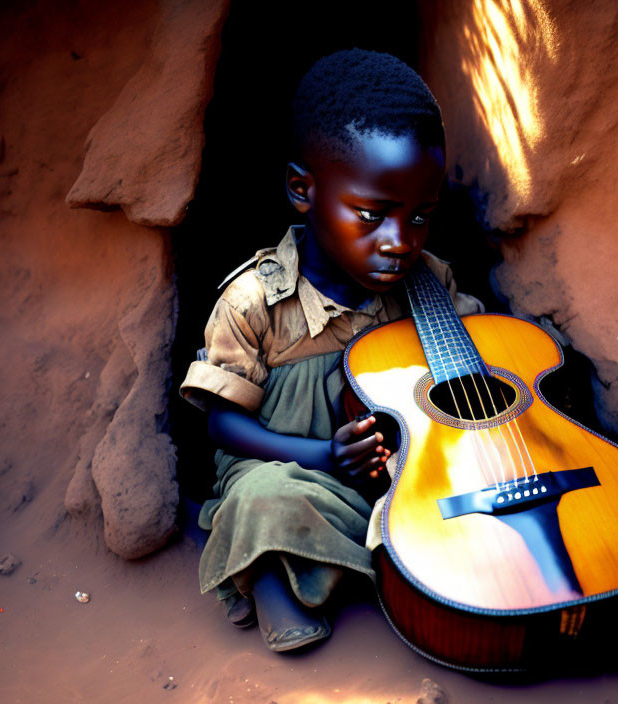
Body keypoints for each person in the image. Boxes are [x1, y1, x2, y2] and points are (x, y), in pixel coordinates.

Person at [179, 48, 483, 652]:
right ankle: (276, 570)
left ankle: (375, 563)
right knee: (264, 503)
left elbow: (485, 361)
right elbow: (222, 425)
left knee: (454, 506)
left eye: (421, 216)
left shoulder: (430, 281)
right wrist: (322, 454)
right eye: (372, 215)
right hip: (293, 466)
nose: (401, 243)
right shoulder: (254, 302)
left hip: (402, 473)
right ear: (302, 190)